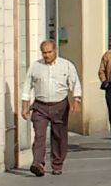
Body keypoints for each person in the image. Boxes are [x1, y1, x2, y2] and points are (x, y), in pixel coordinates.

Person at [21, 40, 82, 176]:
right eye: (44, 53)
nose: (47, 55)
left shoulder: (66, 65)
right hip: (40, 106)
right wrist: (25, 106)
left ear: (55, 51)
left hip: (59, 105)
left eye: (49, 52)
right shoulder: (35, 66)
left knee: (59, 135)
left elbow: (75, 83)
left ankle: (57, 164)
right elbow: (27, 86)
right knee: (39, 135)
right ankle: (38, 164)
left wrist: (76, 100)